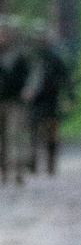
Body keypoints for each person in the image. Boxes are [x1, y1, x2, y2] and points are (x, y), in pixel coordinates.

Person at [22, 23, 74, 176]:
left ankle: (51, 165)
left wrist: (70, 97)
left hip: (51, 101)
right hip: (34, 103)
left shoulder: (55, 60)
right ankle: (32, 164)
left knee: (52, 136)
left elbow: (66, 79)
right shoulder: (29, 59)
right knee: (33, 135)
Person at [0, 17, 33, 184]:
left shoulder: (20, 54)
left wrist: (28, 90)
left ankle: (17, 170)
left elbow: (30, 75)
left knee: (14, 136)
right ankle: (4, 170)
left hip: (15, 102)